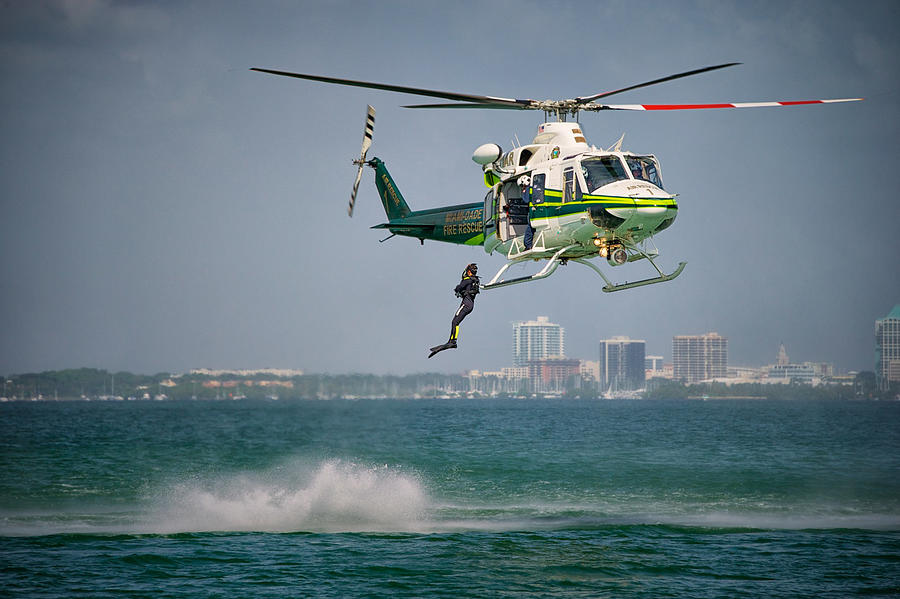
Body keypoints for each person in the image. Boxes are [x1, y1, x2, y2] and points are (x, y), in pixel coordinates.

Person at [429, 264, 479, 357]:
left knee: (454, 322)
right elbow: (469, 290)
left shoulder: (467, 280)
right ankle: (452, 341)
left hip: (466, 305)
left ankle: (452, 342)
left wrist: (459, 290)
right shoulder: (475, 281)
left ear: (468, 272)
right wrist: (464, 292)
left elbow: (458, 288)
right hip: (470, 305)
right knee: (456, 322)